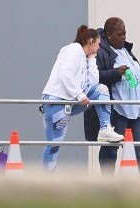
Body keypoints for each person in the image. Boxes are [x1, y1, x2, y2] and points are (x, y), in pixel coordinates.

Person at [40, 25, 123, 170]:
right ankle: (46, 182)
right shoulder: (75, 49)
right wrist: (79, 95)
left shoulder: (84, 56)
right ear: (91, 42)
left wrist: (92, 59)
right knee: (54, 145)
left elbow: (94, 83)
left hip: (70, 102)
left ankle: (105, 128)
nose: (99, 48)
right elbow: (64, 74)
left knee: (100, 89)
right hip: (57, 101)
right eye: (98, 44)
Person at [85, 16, 140, 173]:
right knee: (111, 147)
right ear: (108, 35)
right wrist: (116, 73)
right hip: (118, 108)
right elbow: (94, 77)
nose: (123, 38)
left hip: (136, 109)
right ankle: (108, 181)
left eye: (124, 34)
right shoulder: (101, 52)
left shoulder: (126, 51)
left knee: (137, 147)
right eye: (119, 35)